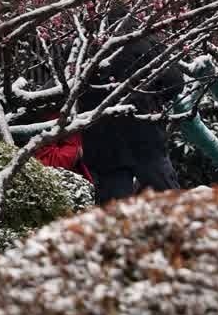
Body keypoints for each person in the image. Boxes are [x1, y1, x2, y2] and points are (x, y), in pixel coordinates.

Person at [79, 19, 185, 204]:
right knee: (166, 196)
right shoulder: (145, 40)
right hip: (143, 133)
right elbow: (175, 82)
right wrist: (154, 99)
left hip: (100, 137)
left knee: (112, 203)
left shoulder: (82, 46)